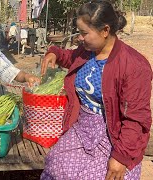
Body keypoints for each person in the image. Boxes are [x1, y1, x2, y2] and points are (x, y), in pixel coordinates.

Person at [40, 1, 152, 179]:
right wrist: (55, 53)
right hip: (83, 127)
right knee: (55, 168)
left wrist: (121, 157)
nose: (79, 38)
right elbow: (71, 57)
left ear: (105, 31)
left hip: (115, 134)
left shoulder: (134, 66)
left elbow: (136, 119)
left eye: (84, 33)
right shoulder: (87, 51)